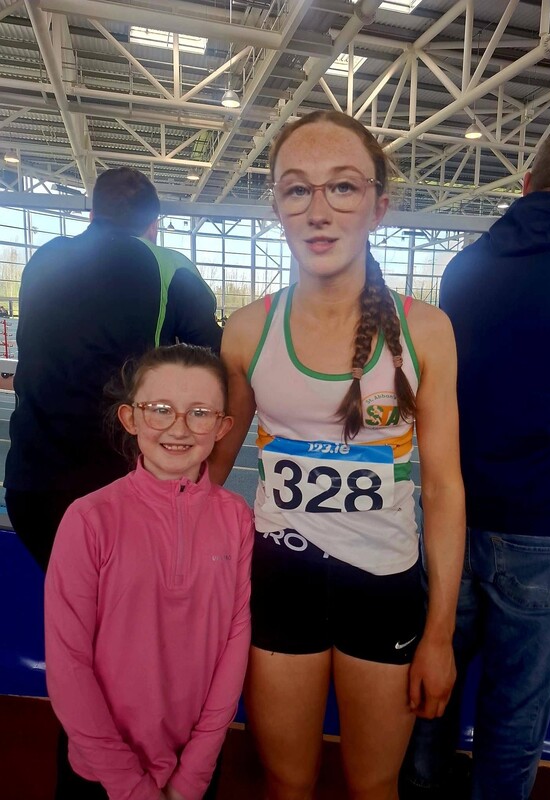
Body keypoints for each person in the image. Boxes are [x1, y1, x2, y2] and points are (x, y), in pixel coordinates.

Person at [208, 110, 465, 800]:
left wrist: (439, 634)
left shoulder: (426, 332)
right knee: (286, 782)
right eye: (297, 189)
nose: (318, 211)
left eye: (343, 187)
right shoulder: (248, 331)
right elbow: (207, 477)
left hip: (384, 590)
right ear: (276, 207)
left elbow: (444, 490)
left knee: (373, 786)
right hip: (280, 584)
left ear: (378, 207)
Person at [400, 124, 550, 800]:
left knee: (432, 683)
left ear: (526, 184)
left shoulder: (466, 267)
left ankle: (421, 787)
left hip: (453, 516)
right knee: (516, 711)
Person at [45, 343, 254, 800]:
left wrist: (195, 771)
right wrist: (128, 785)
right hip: (102, 774)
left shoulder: (236, 518)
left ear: (223, 426)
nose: (178, 428)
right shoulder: (89, 519)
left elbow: (234, 643)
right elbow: (68, 664)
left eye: (199, 413)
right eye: (160, 409)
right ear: (131, 418)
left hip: (192, 768)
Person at [4, 166, 222, 572]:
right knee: (126, 605)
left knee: (70, 601)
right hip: (116, 491)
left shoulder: (43, 259)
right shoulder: (168, 267)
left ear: (92, 215)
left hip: (30, 485)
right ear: (153, 225)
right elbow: (221, 361)